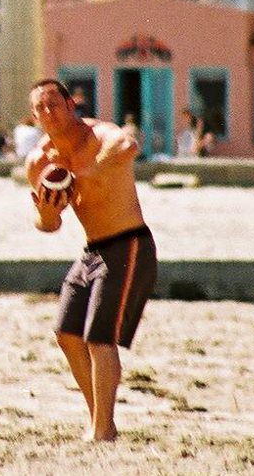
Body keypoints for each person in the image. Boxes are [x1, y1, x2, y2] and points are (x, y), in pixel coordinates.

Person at [25, 78, 156, 443]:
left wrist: (86, 174)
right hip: (92, 250)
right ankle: (101, 421)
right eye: (40, 108)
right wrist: (48, 212)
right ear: (34, 117)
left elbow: (128, 146)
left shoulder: (99, 135)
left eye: (54, 103)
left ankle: (102, 430)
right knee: (66, 334)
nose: (48, 112)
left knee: (100, 338)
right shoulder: (40, 162)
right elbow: (46, 225)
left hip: (129, 243)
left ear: (70, 105)